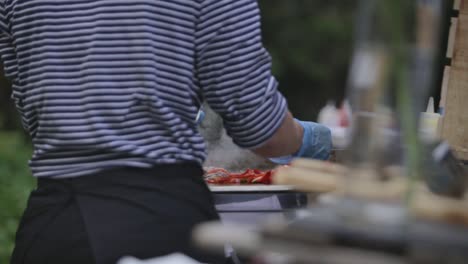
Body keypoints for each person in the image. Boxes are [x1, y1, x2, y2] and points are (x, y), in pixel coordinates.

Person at [0, 0, 332, 263]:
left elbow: (31, 107)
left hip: (52, 229)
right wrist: (313, 140)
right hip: (157, 225)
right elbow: (263, 129)